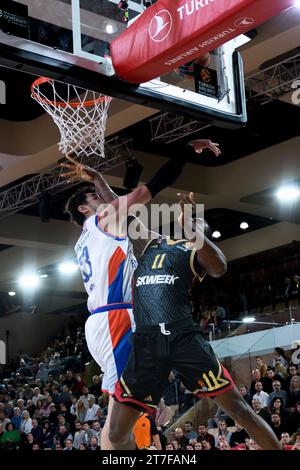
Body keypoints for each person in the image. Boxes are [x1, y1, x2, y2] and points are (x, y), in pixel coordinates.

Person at [62, 139, 220, 448]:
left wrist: (99, 181)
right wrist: (186, 152)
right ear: (84, 208)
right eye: (94, 196)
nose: (104, 198)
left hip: (111, 318)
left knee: (130, 409)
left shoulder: (92, 234)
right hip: (115, 318)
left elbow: (118, 200)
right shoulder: (103, 220)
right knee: (116, 418)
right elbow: (151, 188)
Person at [109, 193, 281, 450]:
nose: (192, 229)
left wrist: (190, 227)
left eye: (197, 228)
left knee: (239, 410)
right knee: (116, 434)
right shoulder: (154, 243)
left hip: (183, 339)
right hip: (147, 343)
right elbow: (122, 210)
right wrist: (95, 180)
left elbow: (219, 267)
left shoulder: (196, 254)